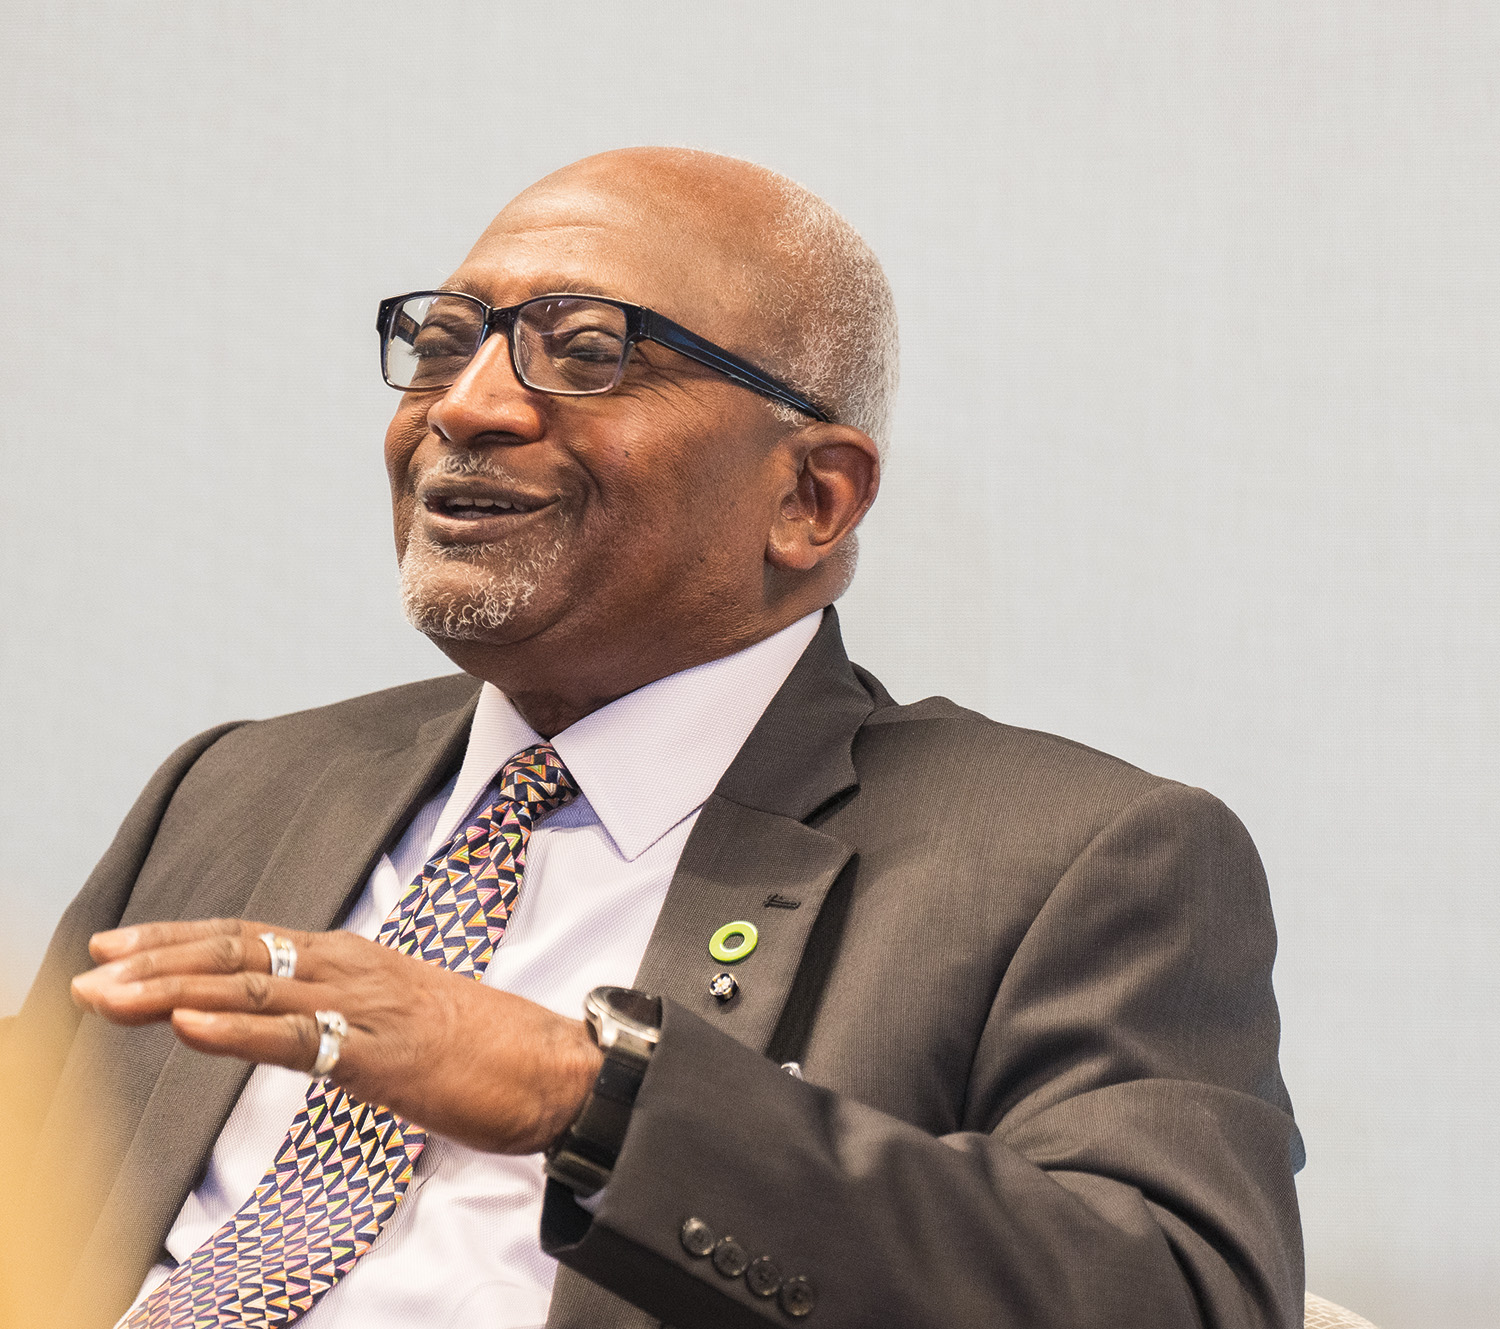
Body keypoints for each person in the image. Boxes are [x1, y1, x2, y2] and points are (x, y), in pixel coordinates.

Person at [2, 148, 1304, 1329]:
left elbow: (1182, 1298)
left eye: (586, 350)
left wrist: (587, 1094)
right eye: (448, 339)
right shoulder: (236, 784)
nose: (467, 406)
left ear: (810, 496)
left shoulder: (1067, 860)